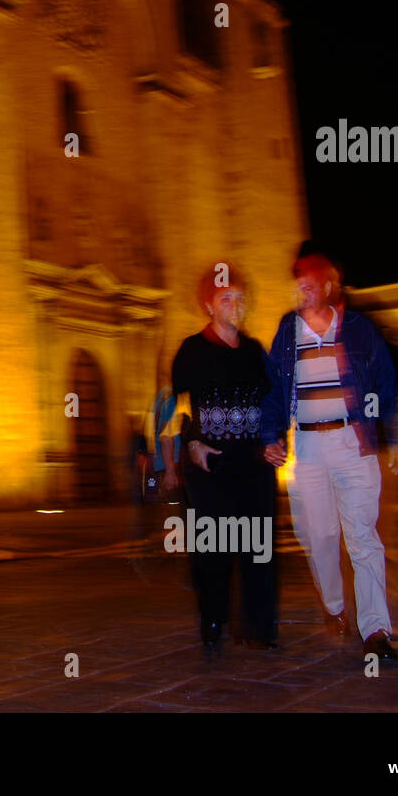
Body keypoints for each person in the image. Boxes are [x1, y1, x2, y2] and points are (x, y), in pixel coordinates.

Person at [261, 247, 398, 663]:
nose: (302, 291)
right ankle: (334, 606)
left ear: (328, 286)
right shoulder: (287, 331)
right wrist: (271, 436)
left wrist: (393, 435)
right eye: (298, 284)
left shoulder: (359, 329)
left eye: (309, 283)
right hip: (307, 447)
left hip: (353, 441)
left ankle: (376, 629)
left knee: (363, 537)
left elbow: (384, 381)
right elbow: (273, 389)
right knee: (319, 536)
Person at [167, 264, 278, 654]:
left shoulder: (255, 352)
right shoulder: (191, 351)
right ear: (209, 305)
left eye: (240, 298)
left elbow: (273, 402)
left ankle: (260, 626)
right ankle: (213, 617)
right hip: (210, 464)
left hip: (253, 462)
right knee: (213, 548)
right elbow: (175, 408)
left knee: (258, 545)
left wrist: (274, 440)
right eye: (226, 299)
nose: (235, 305)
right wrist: (191, 443)